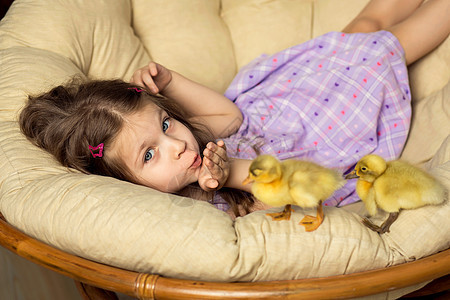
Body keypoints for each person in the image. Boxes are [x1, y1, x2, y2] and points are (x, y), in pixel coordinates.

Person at [19, 0, 450, 218]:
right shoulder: (199, 206)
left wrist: (171, 83)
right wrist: (229, 175)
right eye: (149, 155)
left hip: (291, 100)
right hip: (321, 128)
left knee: (360, 31)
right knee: (383, 48)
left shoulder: (192, 143)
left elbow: (231, 119)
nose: (175, 145)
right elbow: (287, 192)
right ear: (125, 182)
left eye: (167, 123)